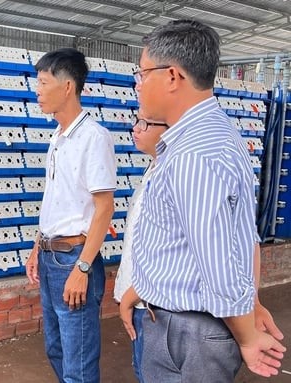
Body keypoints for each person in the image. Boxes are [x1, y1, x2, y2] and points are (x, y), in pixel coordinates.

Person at [132, 19, 286, 381]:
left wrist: (247, 336)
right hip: (183, 326)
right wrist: (252, 303)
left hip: (188, 333)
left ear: (172, 76)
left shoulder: (195, 152)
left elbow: (217, 258)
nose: (138, 85)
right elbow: (243, 236)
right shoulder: (214, 133)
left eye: (142, 74)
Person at [25, 48, 116, 383]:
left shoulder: (93, 137)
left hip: (74, 259)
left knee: (78, 361)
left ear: (67, 87)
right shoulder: (58, 138)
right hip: (52, 257)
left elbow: (105, 208)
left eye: (43, 82)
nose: (37, 90)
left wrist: (83, 267)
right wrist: (38, 247)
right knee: (56, 349)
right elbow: (56, 200)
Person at [113, 114, 168, 383]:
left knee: (151, 374)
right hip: (139, 301)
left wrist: (133, 296)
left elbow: (170, 251)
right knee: (142, 371)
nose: (135, 128)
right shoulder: (152, 169)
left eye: (145, 123)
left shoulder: (171, 176)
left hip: (152, 306)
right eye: (136, 120)